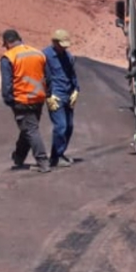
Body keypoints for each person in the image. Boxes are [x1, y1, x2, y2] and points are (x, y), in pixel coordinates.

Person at [0, 29, 51, 173]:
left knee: (30, 130)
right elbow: (48, 76)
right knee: (28, 128)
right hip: (39, 98)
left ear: (7, 43)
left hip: (22, 99)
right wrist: (48, 93)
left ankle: (42, 161)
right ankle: (19, 157)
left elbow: (7, 83)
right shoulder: (38, 53)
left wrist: (9, 100)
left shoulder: (9, 57)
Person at [43, 28, 79, 168]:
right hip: (55, 96)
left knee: (69, 126)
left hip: (68, 94)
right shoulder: (45, 55)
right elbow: (41, 77)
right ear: (54, 42)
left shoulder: (68, 56)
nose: (63, 48)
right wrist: (48, 96)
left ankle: (60, 153)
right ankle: (55, 158)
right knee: (60, 126)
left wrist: (76, 90)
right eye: (60, 44)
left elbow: (72, 75)